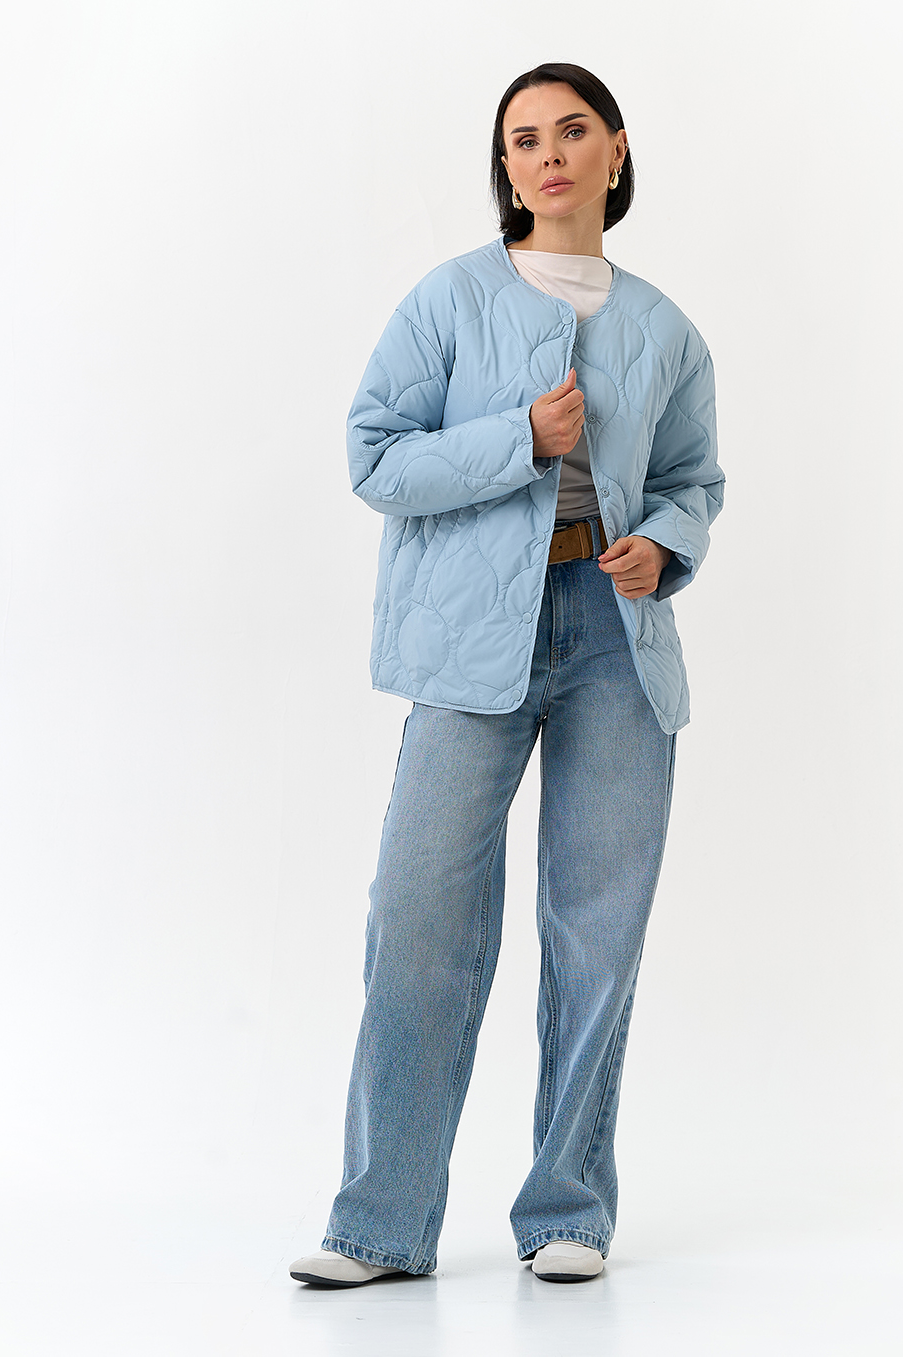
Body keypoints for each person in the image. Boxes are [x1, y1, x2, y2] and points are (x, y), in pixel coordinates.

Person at [290, 62, 724, 1288]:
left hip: (615, 638)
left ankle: (568, 1210)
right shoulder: (448, 298)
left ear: (614, 151)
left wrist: (664, 545)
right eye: (522, 138)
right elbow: (374, 457)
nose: (546, 155)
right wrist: (517, 441)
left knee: (597, 933)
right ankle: (378, 1224)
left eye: (570, 131)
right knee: (418, 917)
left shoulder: (666, 329)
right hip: (467, 636)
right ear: (505, 165)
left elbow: (693, 481)